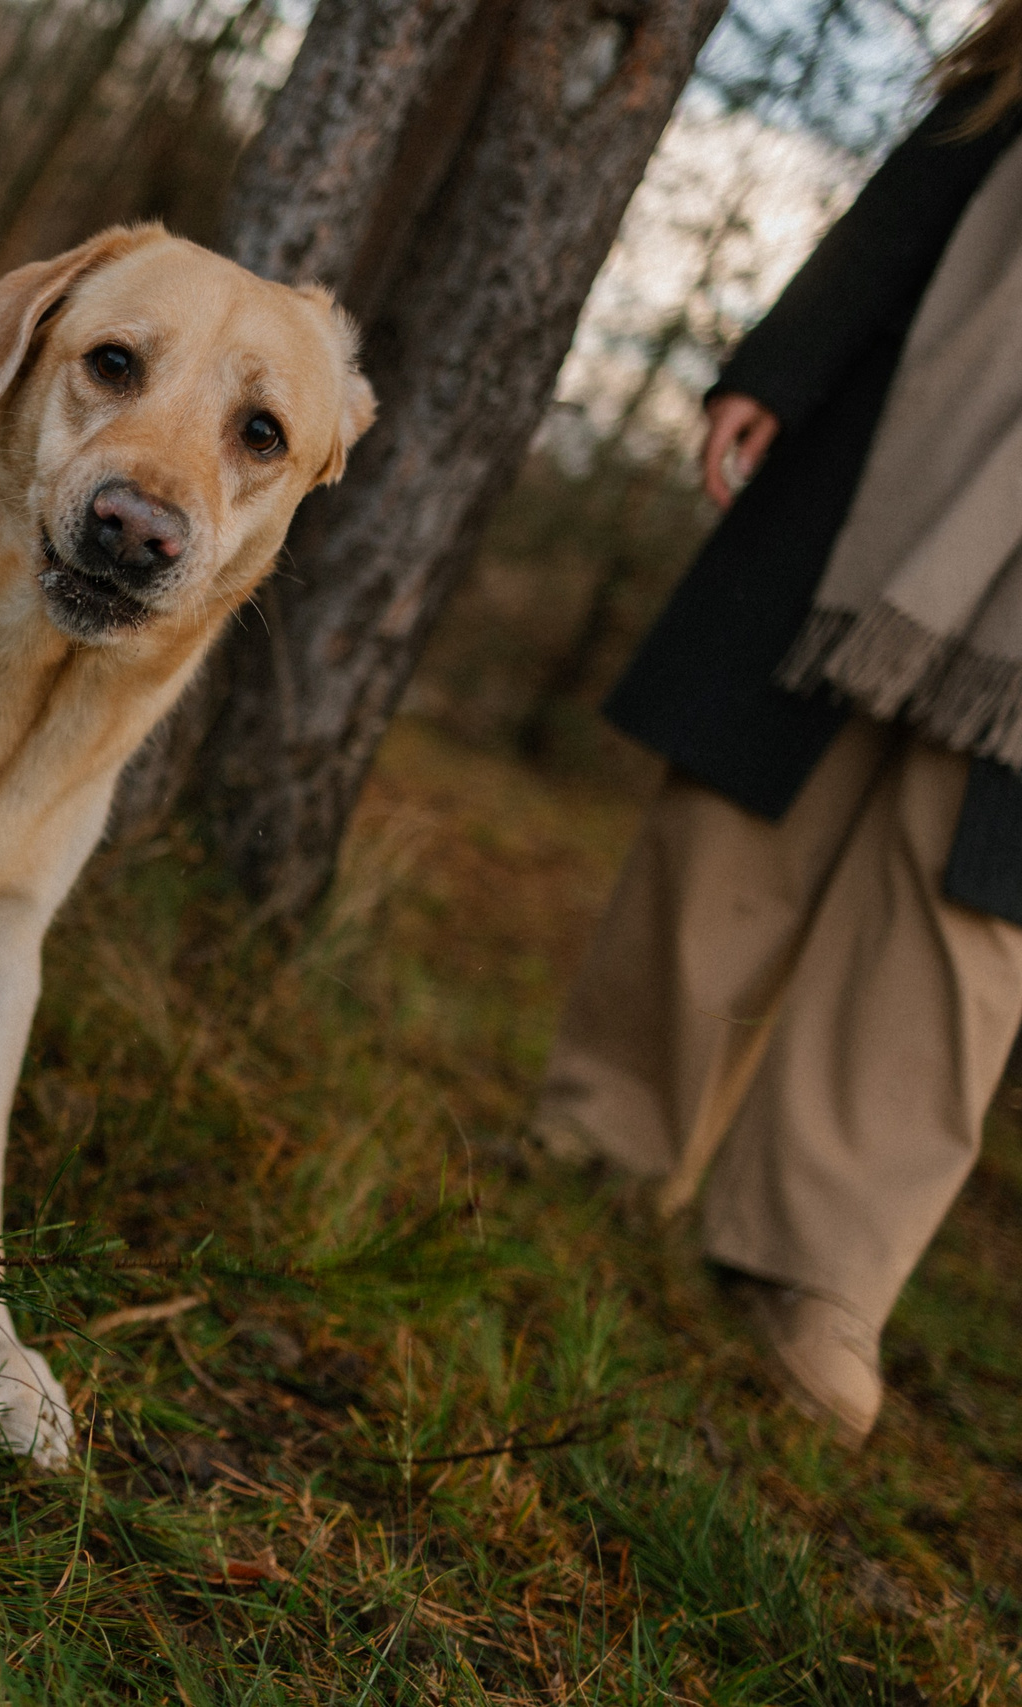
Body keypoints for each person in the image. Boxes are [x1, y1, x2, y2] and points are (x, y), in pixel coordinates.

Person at [535, 3, 1022, 1449]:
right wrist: (777, 366)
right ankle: (602, 1136)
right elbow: (917, 197)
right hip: (882, 479)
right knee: (736, 823)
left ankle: (817, 1277)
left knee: (961, 925)